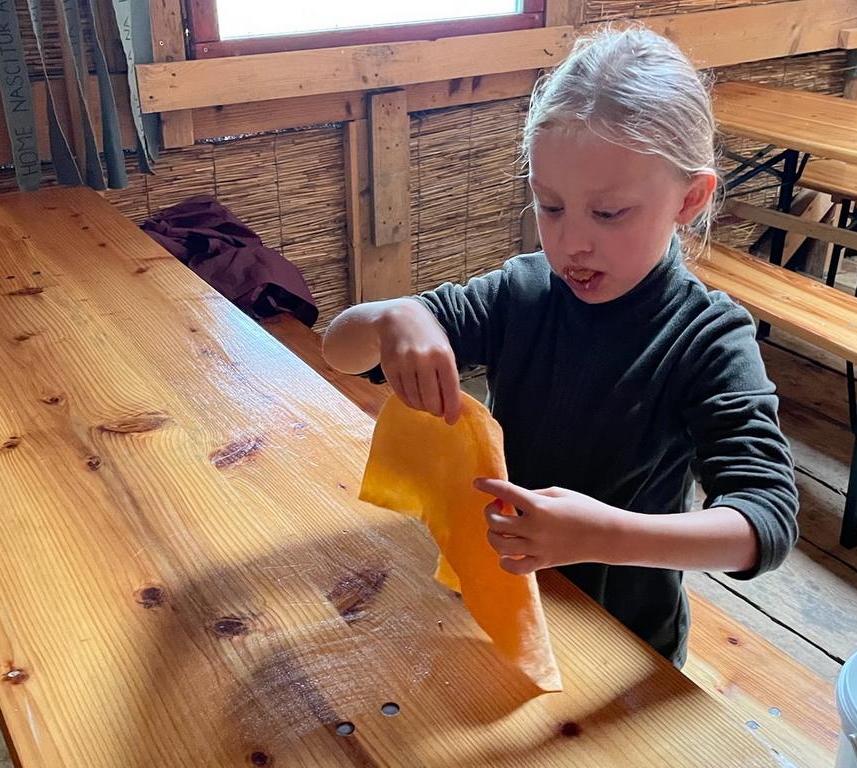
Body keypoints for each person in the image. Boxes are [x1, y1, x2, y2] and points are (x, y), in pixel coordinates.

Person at [322, 27, 798, 667]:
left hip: (622, 642)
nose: (572, 242)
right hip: (493, 600)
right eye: (550, 206)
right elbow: (340, 351)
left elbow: (766, 521)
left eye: (608, 214)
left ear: (689, 199)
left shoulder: (708, 338)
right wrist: (394, 317)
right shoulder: (520, 293)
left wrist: (603, 536)